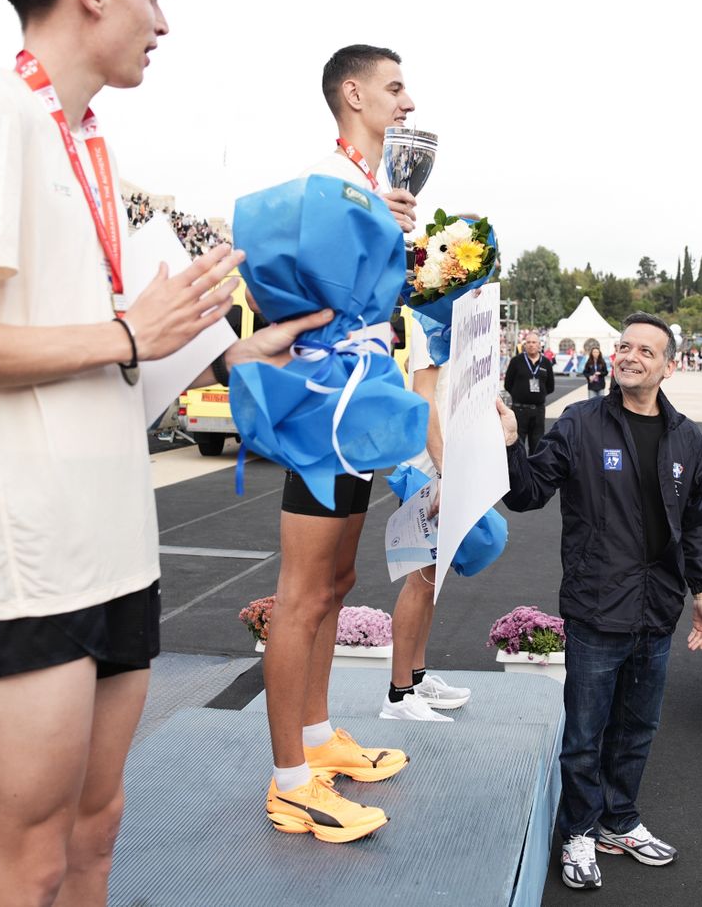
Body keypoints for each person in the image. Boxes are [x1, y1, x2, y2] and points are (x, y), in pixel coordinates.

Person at [0, 0, 336, 907]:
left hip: (114, 540)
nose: (162, 21)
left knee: (96, 833)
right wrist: (129, 333)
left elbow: (103, 351)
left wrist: (226, 354)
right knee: (30, 860)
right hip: (34, 555)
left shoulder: (88, 142)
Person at [258, 43, 420, 847]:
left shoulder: (366, 185)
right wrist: (368, 229)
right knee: (301, 594)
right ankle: (291, 783)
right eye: (395, 87)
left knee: (337, 580)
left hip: (356, 404)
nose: (408, 102)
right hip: (326, 410)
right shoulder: (327, 184)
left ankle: (318, 736)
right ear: (353, 94)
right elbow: (296, 297)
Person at [499, 312, 702, 891]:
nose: (629, 356)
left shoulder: (687, 437)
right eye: (624, 346)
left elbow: (693, 523)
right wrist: (513, 445)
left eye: (646, 350)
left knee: (637, 729)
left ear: (669, 367)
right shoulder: (581, 423)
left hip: (657, 609)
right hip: (597, 607)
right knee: (585, 736)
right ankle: (578, 831)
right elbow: (526, 494)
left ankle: (619, 822)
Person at [380, 318, 476, 723]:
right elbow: (423, 397)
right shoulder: (427, 325)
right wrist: (442, 470)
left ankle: (416, 679)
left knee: (431, 580)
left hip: (442, 467)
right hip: (426, 472)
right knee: (419, 581)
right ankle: (399, 695)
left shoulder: (457, 323)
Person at [503, 331, 555, 452]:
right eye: (528, 342)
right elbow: (508, 384)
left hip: (538, 410)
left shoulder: (546, 363)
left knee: (537, 444)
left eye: (534, 342)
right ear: (525, 345)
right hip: (519, 409)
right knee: (517, 444)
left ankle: (534, 465)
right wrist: (520, 395)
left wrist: (539, 395)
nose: (531, 345)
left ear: (539, 345)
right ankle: (518, 465)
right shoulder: (516, 361)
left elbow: (550, 386)